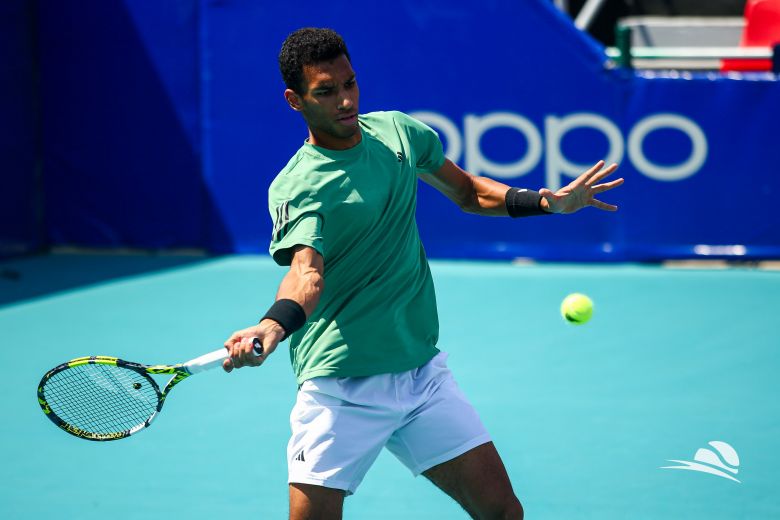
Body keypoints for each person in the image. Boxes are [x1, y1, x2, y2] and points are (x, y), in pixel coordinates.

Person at [222, 27, 623, 520]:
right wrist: (272, 325)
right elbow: (307, 275)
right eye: (326, 92)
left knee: (503, 512)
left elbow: (468, 191)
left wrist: (544, 202)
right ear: (295, 100)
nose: (345, 100)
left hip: (419, 375)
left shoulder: (397, 132)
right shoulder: (299, 185)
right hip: (341, 387)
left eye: (350, 83)